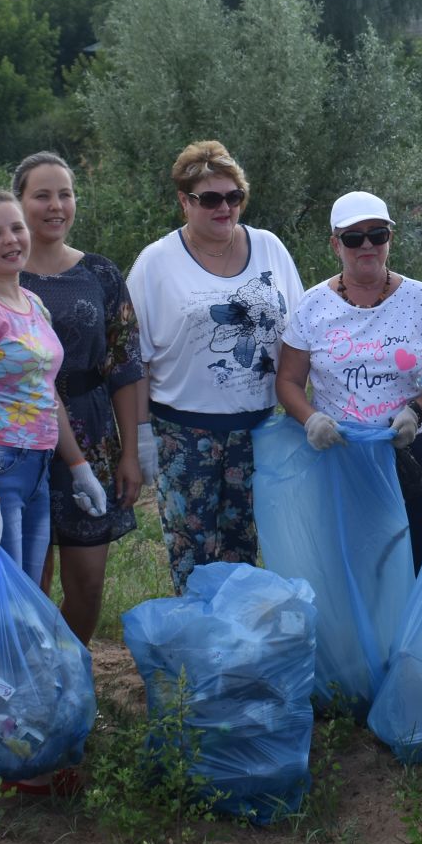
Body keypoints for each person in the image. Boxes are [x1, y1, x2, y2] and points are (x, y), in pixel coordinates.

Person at [127, 141, 304, 591]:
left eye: (233, 197)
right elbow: (134, 357)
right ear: (184, 201)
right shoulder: (156, 263)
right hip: (185, 434)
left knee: (246, 553)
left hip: (259, 430)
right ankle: (203, 654)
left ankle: (239, 651)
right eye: (210, 199)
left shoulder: (270, 248)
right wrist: (140, 436)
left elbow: (300, 334)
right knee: (194, 557)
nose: (224, 207)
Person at [0, 152, 145, 642]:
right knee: (29, 578)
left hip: (92, 434)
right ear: (19, 202)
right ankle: (29, 685)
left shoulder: (100, 274)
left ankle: (67, 672)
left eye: (65, 194)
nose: (55, 206)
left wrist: (131, 452)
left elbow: (125, 365)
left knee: (87, 584)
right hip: (19, 439)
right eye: (42, 195)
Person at [277, 191, 422, 572]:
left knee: (412, 550)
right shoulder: (312, 306)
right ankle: (354, 631)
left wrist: (415, 409)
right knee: (348, 554)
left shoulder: (419, 298)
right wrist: (311, 419)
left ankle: (407, 631)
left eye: (378, 234)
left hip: (406, 450)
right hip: (341, 451)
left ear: (390, 237)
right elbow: (288, 381)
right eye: (354, 238)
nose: (367, 245)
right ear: (335, 244)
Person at [0, 191, 107, 590]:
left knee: (28, 596)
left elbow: (46, 394)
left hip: (36, 463)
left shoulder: (31, 302)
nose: (11, 240)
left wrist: (80, 467)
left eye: (16, 228)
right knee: (2, 600)